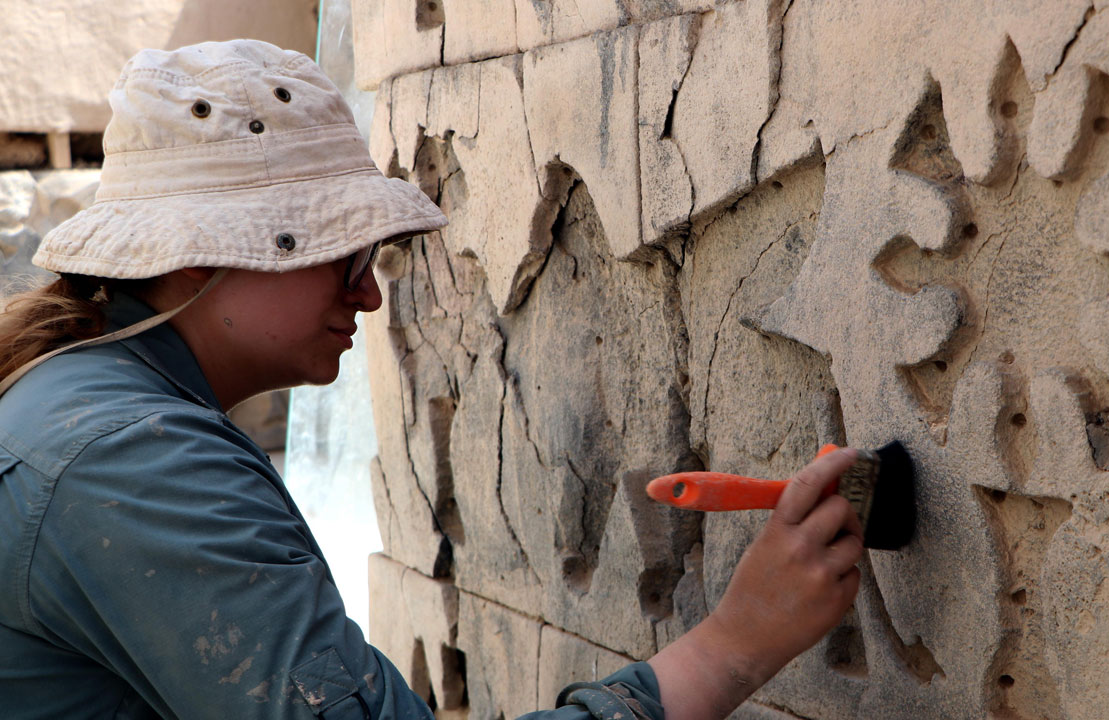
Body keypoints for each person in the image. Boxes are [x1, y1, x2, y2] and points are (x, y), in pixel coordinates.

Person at [0, 40, 866, 720]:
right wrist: (734, 645)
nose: (369, 294)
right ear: (196, 260)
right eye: (340, 259)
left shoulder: (85, 410)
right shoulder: (137, 468)